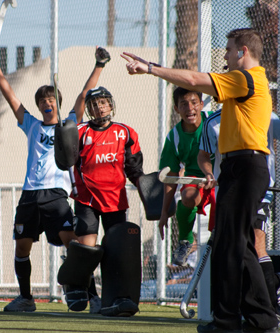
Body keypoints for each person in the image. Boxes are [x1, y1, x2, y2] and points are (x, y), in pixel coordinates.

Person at [122, 28, 278, 332]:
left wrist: (150, 68)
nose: (227, 56)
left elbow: (193, 81)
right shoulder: (243, 84)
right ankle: (262, 321)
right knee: (241, 245)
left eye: (230, 50)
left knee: (228, 245)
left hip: (247, 166)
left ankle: (228, 322)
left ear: (244, 51)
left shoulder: (247, 78)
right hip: (238, 168)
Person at [0, 47, 111, 313]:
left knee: (75, 246)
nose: (46, 103)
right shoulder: (30, 124)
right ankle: (26, 298)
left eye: (50, 99)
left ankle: (92, 296)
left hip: (56, 195)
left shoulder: (69, 124)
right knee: (22, 248)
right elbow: (12, 97)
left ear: (57, 103)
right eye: (42, 100)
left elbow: (83, 95)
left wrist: (99, 64)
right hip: (30, 195)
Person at [67, 71, 144, 316]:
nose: (99, 108)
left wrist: (146, 188)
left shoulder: (126, 133)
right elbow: (64, 159)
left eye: (103, 102)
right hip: (86, 198)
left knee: (115, 253)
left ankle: (115, 298)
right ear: (88, 109)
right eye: (94, 104)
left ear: (110, 104)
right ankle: (88, 294)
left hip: (116, 199)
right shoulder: (79, 132)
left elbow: (134, 168)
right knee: (87, 250)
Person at [198, 109, 280, 317]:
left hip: (261, 189)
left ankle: (270, 307)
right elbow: (203, 156)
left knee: (256, 242)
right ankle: (241, 311)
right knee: (238, 248)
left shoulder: (266, 115)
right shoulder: (212, 123)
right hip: (228, 193)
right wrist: (209, 173)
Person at [158, 87, 214, 266]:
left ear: (201, 104)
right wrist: (164, 212)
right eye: (183, 104)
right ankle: (185, 241)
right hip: (196, 181)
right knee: (187, 196)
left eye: (194, 103)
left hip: (223, 177)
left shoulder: (215, 122)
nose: (190, 108)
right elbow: (171, 177)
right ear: (176, 109)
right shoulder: (174, 137)